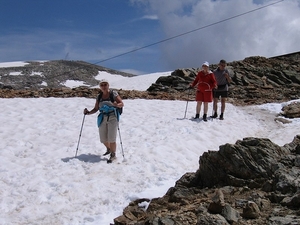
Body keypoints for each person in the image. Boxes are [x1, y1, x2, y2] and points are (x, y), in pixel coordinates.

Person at [83, 79, 124, 163]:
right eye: (102, 85)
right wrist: (88, 113)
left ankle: (113, 155)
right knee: (103, 139)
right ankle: (109, 149)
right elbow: (96, 108)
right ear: (100, 87)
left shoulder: (113, 94)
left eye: (105, 84)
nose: (104, 86)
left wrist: (117, 105)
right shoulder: (99, 96)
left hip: (113, 116)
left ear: (108, 85)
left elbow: (121, 103)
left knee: (111, 138)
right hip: (103, 116)